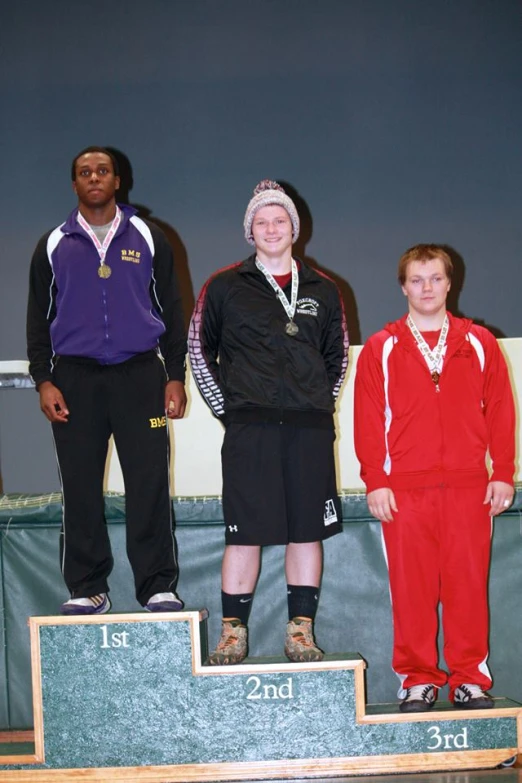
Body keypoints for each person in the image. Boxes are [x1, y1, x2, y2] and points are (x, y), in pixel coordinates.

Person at [188, 180, 348, 664]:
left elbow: (336, 360)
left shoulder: (324, 288)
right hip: (249, 429)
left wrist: (317, 406)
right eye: (262, 222)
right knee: (244, 533)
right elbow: (198, 352)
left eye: (280, 220)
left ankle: (300, 632)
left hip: (308, 428)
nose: (272, 228)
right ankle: (233, 634)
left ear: (294, 229)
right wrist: (231, 411)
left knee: (306, 532)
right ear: (250, 232)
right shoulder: (224, 286)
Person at [354, 244, 516, 712]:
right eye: (417, 280)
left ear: (450, 284)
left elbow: (501, 412)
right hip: (404, 490)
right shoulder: (382, 349)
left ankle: (469, 678)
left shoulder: (479, 343)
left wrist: (502, 472)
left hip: (469, 487)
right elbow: (367, 418)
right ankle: (418, 678)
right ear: (403, 286)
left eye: (436, 278)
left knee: (467, 586)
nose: (427, 288)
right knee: (412, 590)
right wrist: (376, 481)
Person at [27, 146, 187, 616]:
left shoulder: (149, 236)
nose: (93, 177)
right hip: (73, 379)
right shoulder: (53, 244)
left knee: (149, 483)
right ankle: (86, 586)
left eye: (102, 171)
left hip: (140, 375)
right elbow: (38, 318)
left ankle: (157, 586)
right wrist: (43, 380)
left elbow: (173, 313)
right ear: (74, 184)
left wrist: (173, 376)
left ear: (118, 181)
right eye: (83, 172)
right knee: (78, 486)